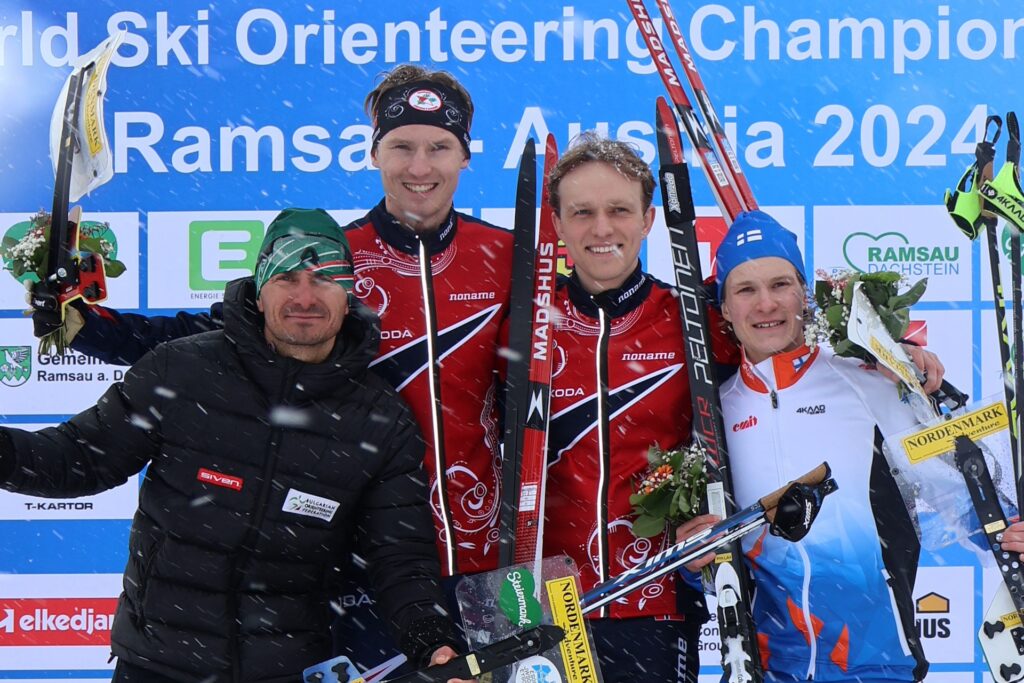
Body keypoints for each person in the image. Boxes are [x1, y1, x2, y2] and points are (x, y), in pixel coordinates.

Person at [32, 65, 514, 668]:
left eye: (439, 147)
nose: (420, 167)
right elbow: (217, 341)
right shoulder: (328, 257)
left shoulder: (511, 258)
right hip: (349, 555)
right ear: (374, 153)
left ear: (466, 156)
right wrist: (89, 326)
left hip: (487, 551)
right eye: (402, 147)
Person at [5, 209, 469, 683]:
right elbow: (76, 460)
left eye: (325, 278)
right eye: (287, 278)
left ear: (349, 295)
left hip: (287, 671)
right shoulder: (180, 370)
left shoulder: (379, 421)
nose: (305, 297)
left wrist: (433, 643)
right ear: (260, 290)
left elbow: (399, 558)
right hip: (157, 665)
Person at [680, 210, 930, 682]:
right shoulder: (714, 414)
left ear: (803, 295)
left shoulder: (866, 383)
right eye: (746, 290)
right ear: (725, 307)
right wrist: (695, 564)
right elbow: (714, 563)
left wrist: (1005, 534)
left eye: (780, 285)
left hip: (879, 664)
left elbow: (955, 486)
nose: (766, 304)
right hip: (771, 668)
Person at [540, 133, 718, 683]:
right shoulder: (520, 325)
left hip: (656, 598)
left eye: (619, 210)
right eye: (582, 212)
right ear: (557, 224)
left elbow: (786, 353)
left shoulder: (693, 321)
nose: (601, 229)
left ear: (647, 219)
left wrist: (893, 352)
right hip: (541, 602)